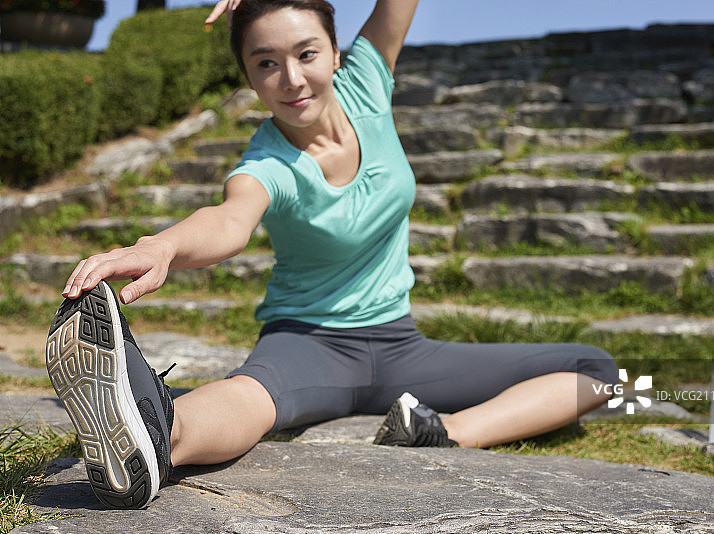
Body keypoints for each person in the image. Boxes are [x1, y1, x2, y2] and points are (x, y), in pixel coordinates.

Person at [45, 0, 618, 510]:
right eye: (266, 63)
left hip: (402, 347)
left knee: (599, 372)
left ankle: (440, 431)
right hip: (308, 343)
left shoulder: (367, 82)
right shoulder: (268, 163)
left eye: (306, 53)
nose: (292, 79)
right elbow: (229, 221)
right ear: (248, 77)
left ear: (336, 53)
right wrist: (162, 245)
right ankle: (156, 433)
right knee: (253, 398)